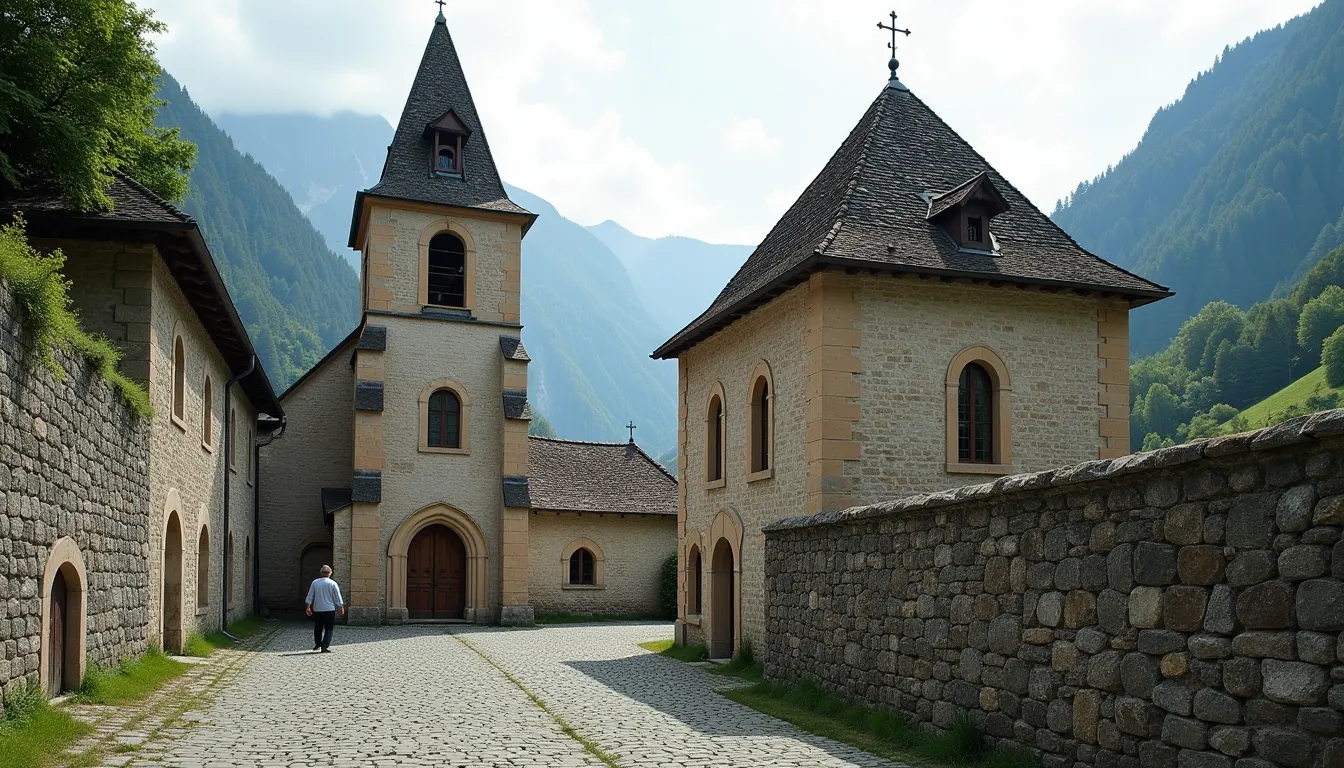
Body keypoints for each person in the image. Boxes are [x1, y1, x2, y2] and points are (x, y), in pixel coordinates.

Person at [304, 565, 344, 653]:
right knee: (329, 628)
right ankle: (324, 646)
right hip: (329, 609)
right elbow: (337, 596)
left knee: (318, 628)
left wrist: (308, 607)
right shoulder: (333, 583)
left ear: (321, 573)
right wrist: (340, 607)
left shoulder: (315, 582)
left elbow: (310, 595)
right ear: (330, 573)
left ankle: (317, 644)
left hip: (318, 609)